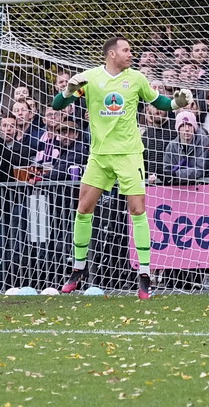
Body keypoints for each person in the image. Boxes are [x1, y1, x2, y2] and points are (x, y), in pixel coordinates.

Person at [51, 36, 194, 299]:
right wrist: (68, 91)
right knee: (83, 208)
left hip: (129, 155)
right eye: (126, 50)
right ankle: (78, 268)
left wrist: (177, 104)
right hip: (100, 156)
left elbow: (158, 102)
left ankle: (145, 274)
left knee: (137, 209)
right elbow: (57, 106)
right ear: (112, 54)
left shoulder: (136, 78)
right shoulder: (90, 78)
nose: (131, 54)